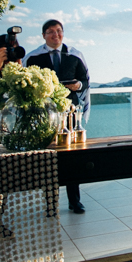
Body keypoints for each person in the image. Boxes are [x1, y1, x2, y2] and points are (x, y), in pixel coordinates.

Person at [26, 20, 90, 212]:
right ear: (43, 35)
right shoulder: (34, 58)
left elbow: (85, 81)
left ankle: (74, 201)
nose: (56, 35)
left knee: (72, 157)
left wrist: (77, 86)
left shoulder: (74, 56)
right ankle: (50, 203)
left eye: (59, 31)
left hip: (70, 112)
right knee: (48, 157)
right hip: (46, 114)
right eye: (51, 32)